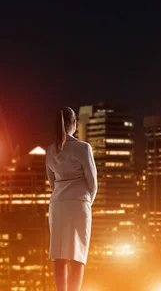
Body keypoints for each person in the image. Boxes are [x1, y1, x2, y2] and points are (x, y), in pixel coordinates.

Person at [46, 107, 97, 291]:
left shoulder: (50, 150)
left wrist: (62, 194)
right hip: (78, 203)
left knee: (59, 256)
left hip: (57, 205)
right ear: (74, 124)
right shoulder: (83, 148)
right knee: (78, 255)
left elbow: (52, 183)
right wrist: (85, 202)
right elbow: (93, 183)